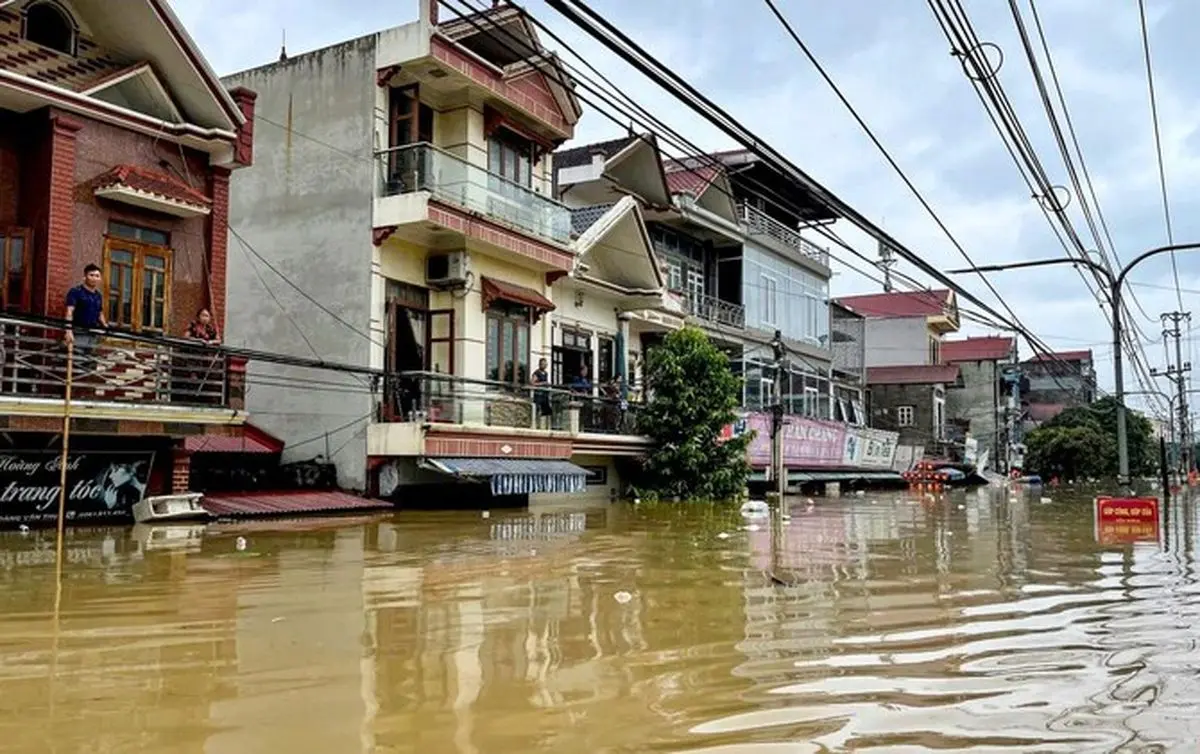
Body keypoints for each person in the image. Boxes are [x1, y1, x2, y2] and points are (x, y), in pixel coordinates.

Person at [64, 263, 106, 376]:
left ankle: (82, 388)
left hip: (93, 334)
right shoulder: (76, 292)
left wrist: (105, 327)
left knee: (88, 363)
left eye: (97, 276)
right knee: (76, 362)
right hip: (78, 332)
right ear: (85, 277)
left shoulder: (98, 295)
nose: (94, 278)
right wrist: (68, 331)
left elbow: (100, 313)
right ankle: (70, 389)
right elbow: (69, 311)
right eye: (91, 275)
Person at [531, 357, 552, 427]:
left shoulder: (546, 373)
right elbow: (533, 383)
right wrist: (543, 383)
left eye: (546, 364)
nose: (545, 366)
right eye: (543, 364)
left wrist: (547, 385)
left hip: (545, 395)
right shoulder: (537, 373)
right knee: (538, 410)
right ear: (540, 364)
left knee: (547, 411)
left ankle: (546, 426)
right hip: (538, 395)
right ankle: (536, 425)